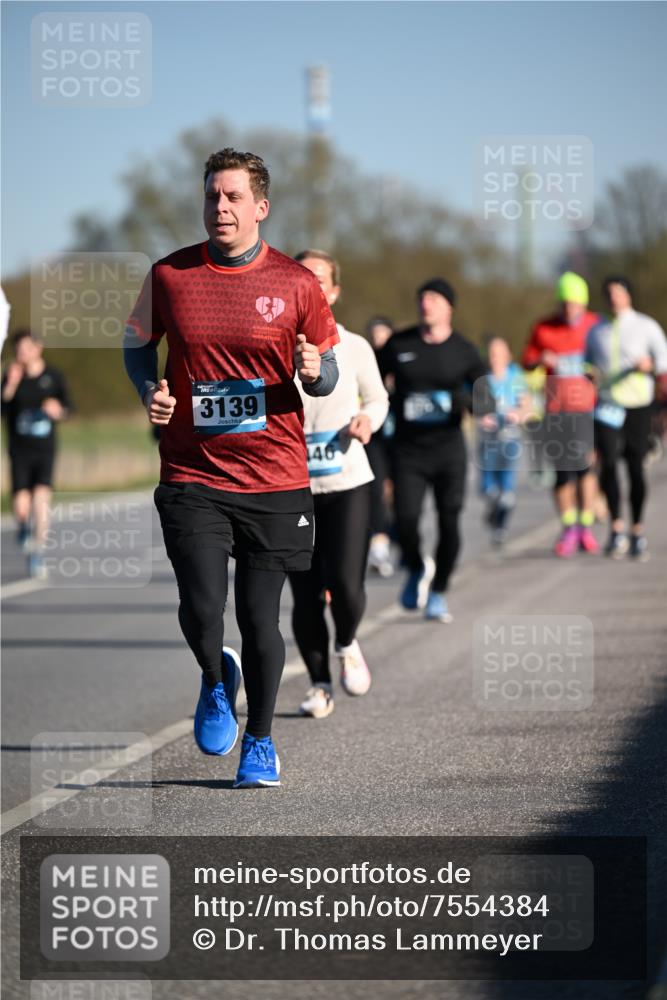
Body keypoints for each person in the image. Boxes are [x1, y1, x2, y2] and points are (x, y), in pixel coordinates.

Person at [124, 148, 339, 788]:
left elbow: (328, 368)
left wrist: (313, 372)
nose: (221, 207)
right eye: (213, 196)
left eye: (234, 197)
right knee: (200, 605)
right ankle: (216, 679)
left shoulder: (297, 283)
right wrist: (148, 391)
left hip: (274, 476)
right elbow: (138, 346)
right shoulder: (170, 276)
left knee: (258, 618)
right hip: (193, 472)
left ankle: (262, 742)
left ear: (260, 207)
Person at [288, 252, 389, 719]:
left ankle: (347, 642)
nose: (312, 285)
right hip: (292, 486)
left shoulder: (354, 346)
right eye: (302, 278)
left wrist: (369, 419)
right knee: (306, 593)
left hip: (348, 480)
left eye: (320, 279)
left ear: (333, 292)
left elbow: (379, 396)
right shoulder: (276, 343)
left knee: (347, 586)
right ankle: (319, 685)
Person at [379, 278, 491, 623]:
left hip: (448, 450)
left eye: (433, 298)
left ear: (448, 307)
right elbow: (371, 379)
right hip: (408, 450)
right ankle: (415, 568)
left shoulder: (464, 350)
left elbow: (486, 400)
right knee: (406, 520)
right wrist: (386, 402)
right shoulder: (399, 344)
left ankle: (439, 589)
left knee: (449, 523)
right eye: (422, 298)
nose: (425, 304)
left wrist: (465, 402)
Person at [586, 275, 667, 561]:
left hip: (637, 404)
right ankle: (616, 528)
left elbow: (663, 360)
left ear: (628, 295)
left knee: (635, 467)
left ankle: (637, 529)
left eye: (618, 292)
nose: (613, 298)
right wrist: (589, 375)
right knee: (607, 464)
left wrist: (651, 365)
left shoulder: (646, 326)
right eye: (609, 293)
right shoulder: (598, 331)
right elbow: (588, 364)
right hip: (608, 405)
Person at [522, 272, 600, 558]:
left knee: (585, 468)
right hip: (555, 409)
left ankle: (586, 526)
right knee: (562, 473)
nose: (569, 309)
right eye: (565, 303)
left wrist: (595, 369)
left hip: (586, 409)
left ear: (583, 303)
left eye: (575, 303)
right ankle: (568, 527)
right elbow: (527, 361)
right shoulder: (543, 328)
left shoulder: (595, 325)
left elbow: (610, 361)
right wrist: (539, 360)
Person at [1, 329, 71, 579]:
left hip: (45, 450)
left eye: (27, 349)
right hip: (19, 451)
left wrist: (58, 411)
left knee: (41, 502)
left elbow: (68, 407)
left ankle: (38, 554)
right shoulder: (12, 376)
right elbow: (3, 409)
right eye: (19, 350)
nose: (23, 354)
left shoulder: (52, 377)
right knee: (21, 507)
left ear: (38, 348)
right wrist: (9, 386)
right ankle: (22, 528)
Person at [477, 336, 531, 546]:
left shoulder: (515, 377)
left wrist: (518, 414)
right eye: (492, 354)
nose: (495, 358)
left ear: (508, 355)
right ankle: (493, 512)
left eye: (499, 354)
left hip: (510, 440)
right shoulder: (483, 378)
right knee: (489, 490)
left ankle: (500, 528)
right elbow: (472, 405)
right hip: (488, 442)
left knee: (507, 492)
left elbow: (527, 406)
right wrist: (481, 416)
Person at [364, 315, 395, 577]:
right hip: (375, 436)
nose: (379, 341)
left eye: (383, 336)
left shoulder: (402, 361)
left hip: (401, 438)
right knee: (376, 490)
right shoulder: (366, 361)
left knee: (396, 491)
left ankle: (396, 535)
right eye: (375, 337)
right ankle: (379, 544)